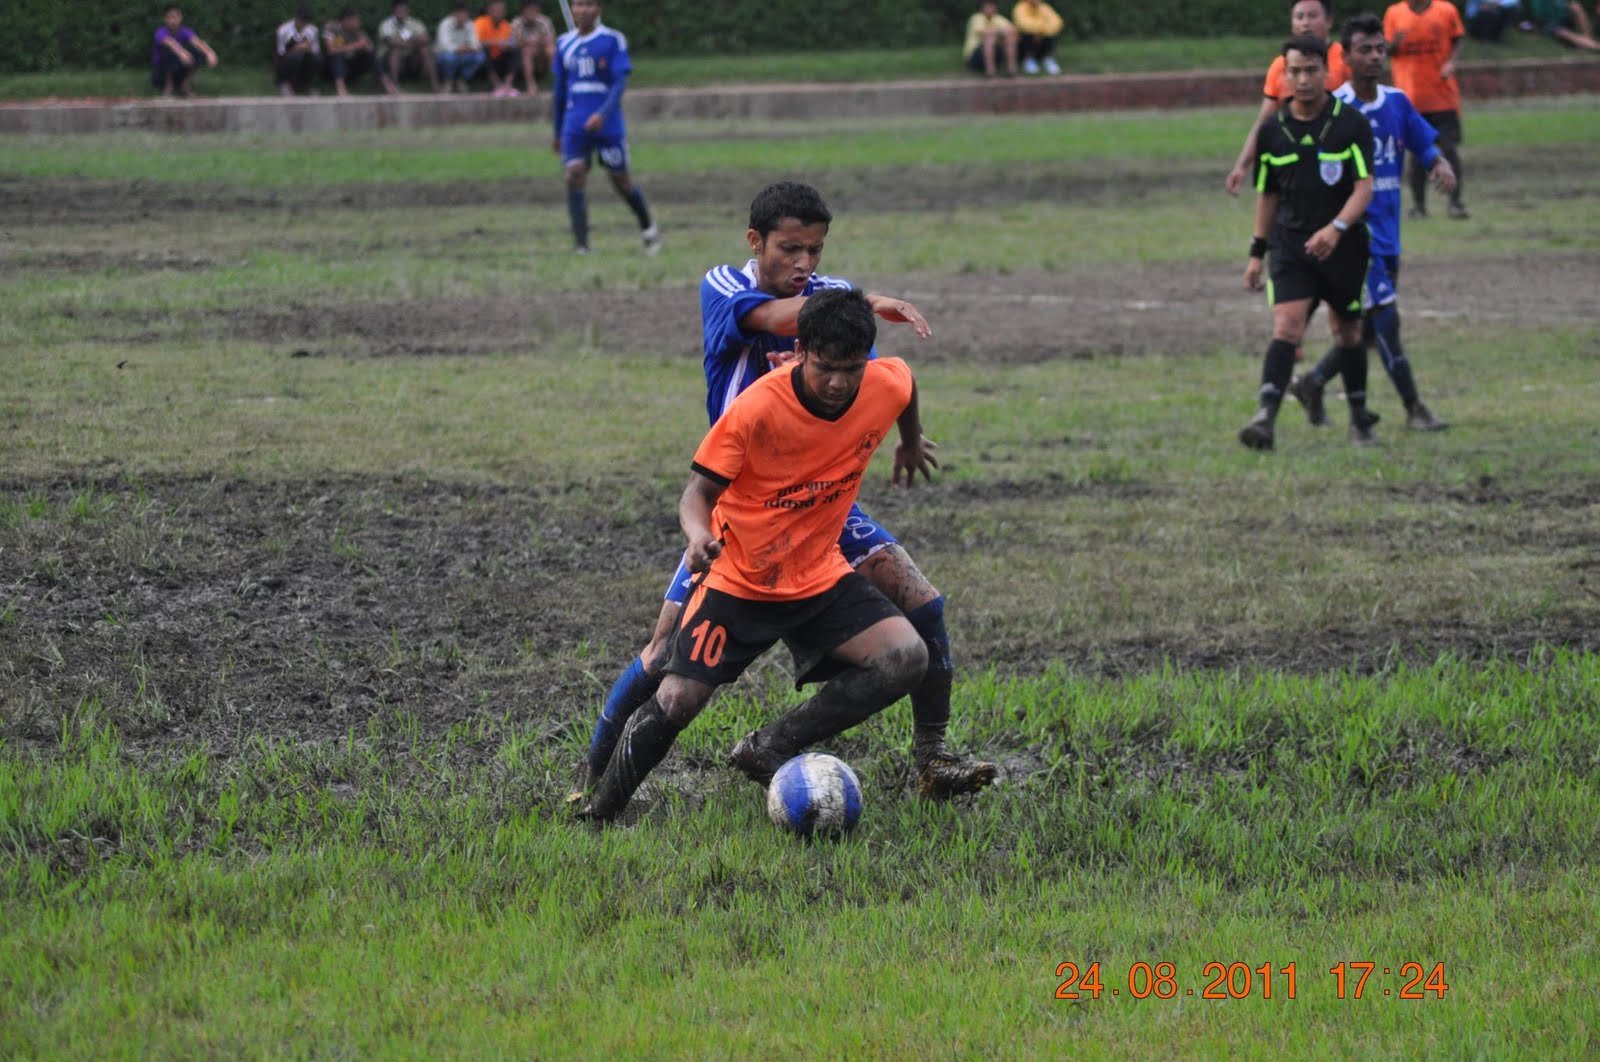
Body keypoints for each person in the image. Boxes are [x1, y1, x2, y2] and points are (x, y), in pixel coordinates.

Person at [578, 181, 997, 805]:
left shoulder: (828, 298)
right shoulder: (724, 285)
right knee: (665, 654)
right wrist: (860, 303)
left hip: (826, 502)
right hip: (741, 505)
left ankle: (932, 759)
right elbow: (778, 318)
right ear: (756, 242)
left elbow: (892, 379)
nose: (804, 265)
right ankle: (594, 781)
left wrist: (907, 435)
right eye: (790, 249)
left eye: (816, 251)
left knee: (923, 605)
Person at [577, 290, 937, 822]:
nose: (839, 383)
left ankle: (770, 745)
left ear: (869, 358)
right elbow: (695, 495)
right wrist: (699, 536)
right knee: (677, 700)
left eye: (852, 369)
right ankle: (600, 813)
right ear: (800, 350)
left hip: (819, 576)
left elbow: (904, 387)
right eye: (826, 368)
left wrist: (910, 442)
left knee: (907, 657)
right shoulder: (758, 408)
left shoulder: (882, 382)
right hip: (740, 581)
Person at [1289, 13, 1458, 432]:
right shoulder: (1336, 111)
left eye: (1380, 48)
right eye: (1365, 49)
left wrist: (1439, 164)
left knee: (1363, 330)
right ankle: (1414, 409)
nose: (1375, 56)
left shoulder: (1396, 103)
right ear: (1345, 57)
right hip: (1355, 240)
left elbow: (1421, 142)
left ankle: (1312, 382)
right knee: (1387, 323)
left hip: (1389, 235)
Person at [1240, 36, 1376, 450]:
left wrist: (1335, 228)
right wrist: (1256, 253)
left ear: (1326, 73)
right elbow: (1268, 196)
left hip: (1345, 248)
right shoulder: (1272, 132)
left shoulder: (1351, 123)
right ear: (1283, 75)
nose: (1302, 80)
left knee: (1349, 331)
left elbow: (1364, 188)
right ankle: (1265, 418)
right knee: (1287, 326)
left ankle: (1359, 420)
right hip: (1291, 247)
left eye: (1310, 70)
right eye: (1294, 71)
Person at [551, 0, 660, 254]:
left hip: (607, 127)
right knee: (574, 176)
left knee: (620, 181)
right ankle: (581, 245)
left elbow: (619, 84)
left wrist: (603, 114)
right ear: (573, 9)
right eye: (578, 4)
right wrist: (557, 131)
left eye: (589, 4)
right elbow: (559, 91)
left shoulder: (612, 40)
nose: (583, 10)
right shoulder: (564, 43)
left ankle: (649, 229)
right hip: (574, 124)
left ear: (598, 8)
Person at [1226, 0, 1351, 196]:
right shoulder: (1280, 66)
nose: (1305, 23)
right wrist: (1242, 166)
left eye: (1312, 16)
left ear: (1329, 21)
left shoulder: (1346, 60)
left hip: (1337, 163)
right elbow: (1264, 121)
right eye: (1299, 17)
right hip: (1293, 167)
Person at [1384, 0, 1469, 218]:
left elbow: (1458, 38)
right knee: (1416, 154)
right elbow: (1384, 50)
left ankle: (1455, 203)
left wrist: (1452, 62)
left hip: (1442, 96)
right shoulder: (1394, 13)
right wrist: (1394, 43)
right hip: (1410, 99)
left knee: (1449, 149)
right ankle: (1419, 206)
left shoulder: (1445, 10)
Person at [323, 8, 393, 96]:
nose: (359, 22)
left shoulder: (359, 32)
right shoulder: (332, 27)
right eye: (356, 20)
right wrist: (355, 46)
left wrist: (365, 46)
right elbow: (331, 50)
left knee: (371, 55)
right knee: (337, 56)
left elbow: (371, 49)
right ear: (346, 20)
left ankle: (387, 83)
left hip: (353, 66)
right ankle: (340, 88)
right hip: (333, 68)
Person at [150, 6, 218, 98]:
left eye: (176, 17)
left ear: (180, 18)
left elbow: (197, 42)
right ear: (165, 19)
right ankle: (168, 87)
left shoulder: (185, 30)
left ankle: (185, 84)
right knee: (167, 51)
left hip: (178, 70)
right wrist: (182, 53)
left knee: (198, 53)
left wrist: (210, 53)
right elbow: (170, 43)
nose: (173, 21)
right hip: (160, 74)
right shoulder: (160, 32)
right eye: (170, 17)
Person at [377, 1, 442, 93]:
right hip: (390, 60)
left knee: (424, 49)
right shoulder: (386, 24)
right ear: (393, 11)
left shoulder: (415, 23)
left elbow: (426, 39)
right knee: (396, 50)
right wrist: (414, 40)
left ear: (407, 11)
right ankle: (395, 85)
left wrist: (408, 40)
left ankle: (435, 85)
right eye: (398, 10)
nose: (401, 12)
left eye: (403, 9)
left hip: (411, 60)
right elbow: (390, 42)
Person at [435, 1, 485, 93]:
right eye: (459, 13)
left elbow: (476, 44)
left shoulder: (470, 24)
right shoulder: (445, 24)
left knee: (480, 57)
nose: (462, 16)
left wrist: (467, 48)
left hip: (464, 55)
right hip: (446, 56)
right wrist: (460, 48)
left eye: (464, 13)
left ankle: (462, 80)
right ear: (454, 13)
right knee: (448, 57)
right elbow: (444, 45)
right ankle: (448, 81)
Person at [474, 0, 521, 97]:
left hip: (500, 59)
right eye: (496, 9)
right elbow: (476, 43)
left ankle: (507, 85)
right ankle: (497, 85)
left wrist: (509, 45)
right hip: (484, 62)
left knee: (516, 51)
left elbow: (511, 42)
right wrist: (496, 43)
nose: (499, 12)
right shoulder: (480, 22)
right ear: (489, 10)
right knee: (484, 51)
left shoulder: (507, 26)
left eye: (501, 10)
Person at [275, 7, 322, 97]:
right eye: (301, 20)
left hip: (306, 58)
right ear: (296, 18)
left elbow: (316, 50)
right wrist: (297, 48)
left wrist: (307, 48)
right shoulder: (283, 30)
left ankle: (307, 86)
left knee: (317, 59)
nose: (303, 23)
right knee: (296, 57)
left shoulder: (313, 30)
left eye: (306, 21)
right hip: (288, 59)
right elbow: (280, 52)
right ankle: (286, 85)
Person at [964, 1, 1020, 77]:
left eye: (992, 6)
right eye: (987, 6)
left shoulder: (998, 18)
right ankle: (990, 71)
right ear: (982, 8)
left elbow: (1012, 30)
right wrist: (1000, 32)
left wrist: (1004, 33)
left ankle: (1011, 70)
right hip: (975, 56)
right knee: (989, 39)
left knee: (1010, 38)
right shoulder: (977, 18)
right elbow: (982, 31)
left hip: (995, 53)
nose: (990, 9)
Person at [512, 1, 557, 93]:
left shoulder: (544, 21)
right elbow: (516, 43)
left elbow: (550, 40)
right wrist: (529, 42)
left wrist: (537, 41)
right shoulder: (517, 23)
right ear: (523, 11)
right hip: (522, 56)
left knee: (551, 49)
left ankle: (555, 80)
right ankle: (531, 84)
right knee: (527, 51)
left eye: (534, 10)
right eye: (529, 10)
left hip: (541, 51)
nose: (531, 12)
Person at [1011, 0, 1064, 74]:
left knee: (1051, 34)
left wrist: (1041, 31)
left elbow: (1057, 22)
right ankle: (1029, 60)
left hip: (1042, 39)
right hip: (1023, 44)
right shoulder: (1020, 7)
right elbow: (1024, 24)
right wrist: (1041, 29)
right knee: (1028, 34)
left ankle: (1048, 60)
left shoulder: (1044, 7)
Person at [1527, 0, 1600, 50]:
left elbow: (1568, 6)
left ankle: (1587, 38)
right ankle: (1595, 46)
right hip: (1548, 24)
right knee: (1564, 32)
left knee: (1576, 6)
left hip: (1562, 20)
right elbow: (1537, 17)